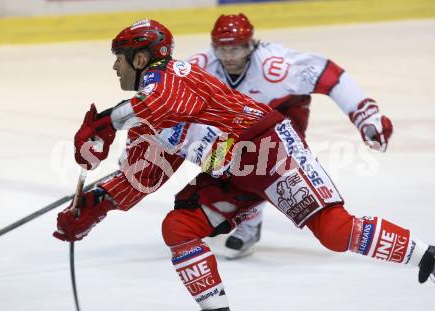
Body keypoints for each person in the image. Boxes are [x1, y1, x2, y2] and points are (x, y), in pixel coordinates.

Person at [53, 19, 434, 311]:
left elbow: (167, 102)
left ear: (139, 58)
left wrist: (108, 120)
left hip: (272, 154)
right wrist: (93, 206)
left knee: (335, 232)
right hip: (234, 174)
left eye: (118, 59)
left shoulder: (173, 78)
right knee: (179, 227)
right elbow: (144, 176)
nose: (114, 68)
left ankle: (427, 256)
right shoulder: (145, 115)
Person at [188, 13, 394, 258]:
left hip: (282, 114)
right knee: (219, 165)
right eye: (222, 50)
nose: (229, 58)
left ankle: (255, 222)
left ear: (250, 45)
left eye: (237, 49)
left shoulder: (276, 66)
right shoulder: (201, 65)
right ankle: (249, 221)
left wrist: (364, 113)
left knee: (266, 166)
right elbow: (168, 91)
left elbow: (331, 75)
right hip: (237, 122)